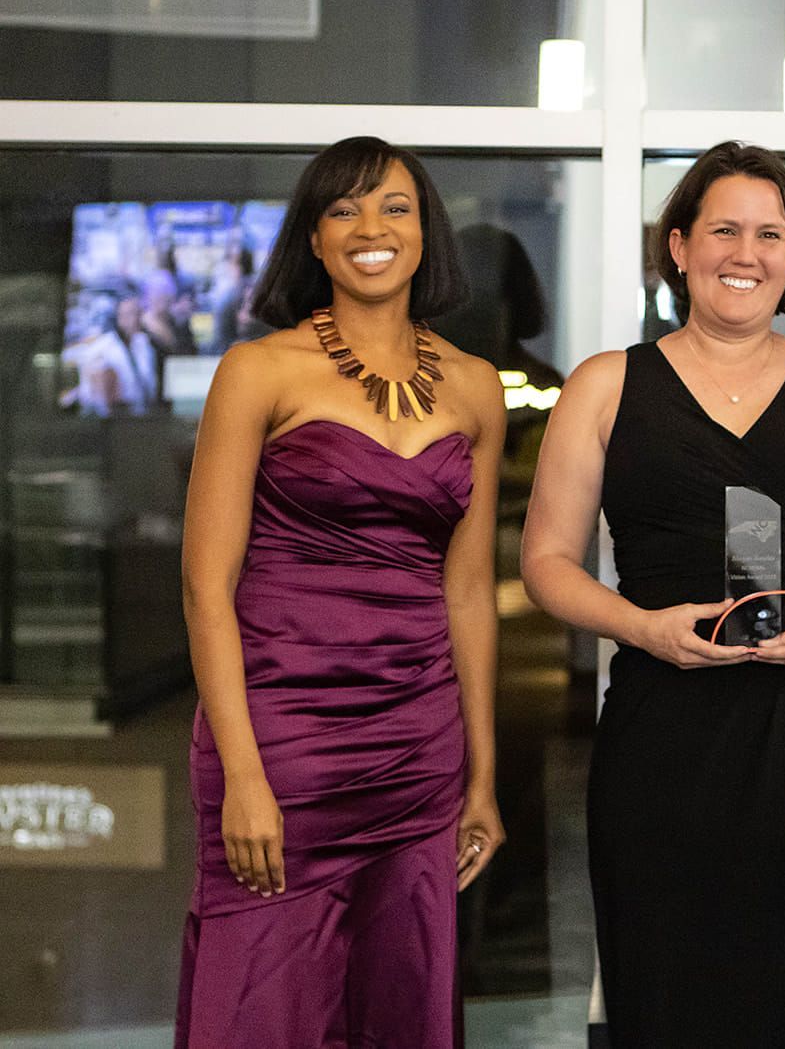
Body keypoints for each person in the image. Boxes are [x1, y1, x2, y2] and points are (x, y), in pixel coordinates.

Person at [522, 140, 785, 1046]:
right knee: (672, 985)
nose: (747, 252)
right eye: (725, 230)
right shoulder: (604, 385)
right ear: (679, 246)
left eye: (770, 234)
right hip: (667, 736)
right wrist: (640, 629)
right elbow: (545, 560)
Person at [176, 135, 506, 1049]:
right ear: (313, 242)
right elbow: (207, 585)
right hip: (280, 741)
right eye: (343, 209)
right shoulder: (258, 370)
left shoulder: (478, 390)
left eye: (395, 207)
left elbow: (470, 594)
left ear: (425, 234)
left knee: (402, 998)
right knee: (261, 1008)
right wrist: (242, 772)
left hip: (417, 746)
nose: (372, 228)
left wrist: (482, 774)